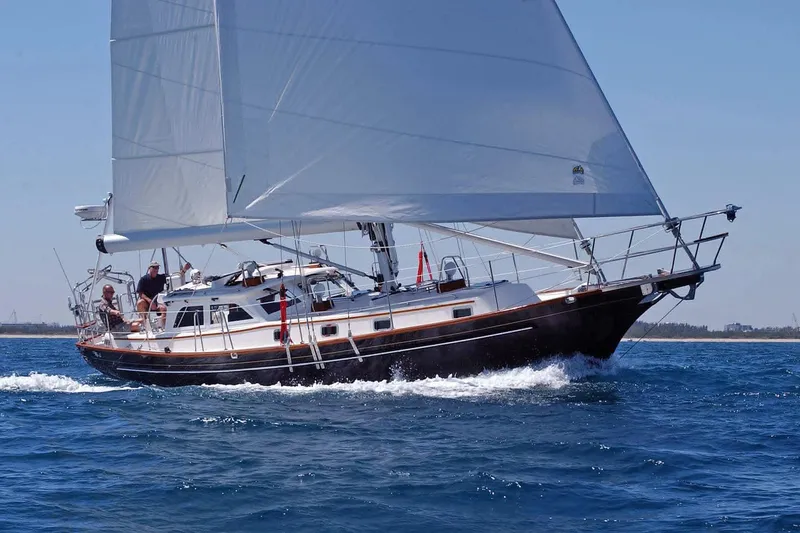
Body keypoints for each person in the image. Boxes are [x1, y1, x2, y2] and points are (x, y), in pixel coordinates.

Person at [136, 260, 191, 327]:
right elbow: (140, 293)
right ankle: (145, 325)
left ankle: (164, 328)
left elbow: (176, 277)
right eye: (154, 267)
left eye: (157, 268)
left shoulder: (161, 278)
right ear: (149, 268)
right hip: (147, 302)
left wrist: (184, 269)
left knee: (164, 309)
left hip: (158, 302)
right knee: (140, 303)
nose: (156, 269)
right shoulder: (143, 279)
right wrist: (150, 301)